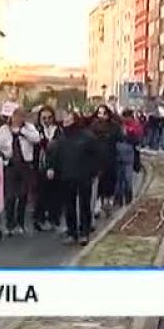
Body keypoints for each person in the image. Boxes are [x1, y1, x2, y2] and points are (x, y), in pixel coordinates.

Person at [46, 111, 99, 246]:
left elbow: (96, 156)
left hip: (84, 176)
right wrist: (51, 168)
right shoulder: (61, 138)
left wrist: (94, 172)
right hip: (66, 175)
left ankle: (84, 232)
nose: (66, 124)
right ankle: (72, 232)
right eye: (65, 121)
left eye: (69, 121)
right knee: (69, 206)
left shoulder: (87, 137)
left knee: (84, 205)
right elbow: (54, 154)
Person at [3, 108, 40, 234]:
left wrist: (22, 131)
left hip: (25, 165)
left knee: (23, 195)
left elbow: (36, 139)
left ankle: (20, 223)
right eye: (16, 117)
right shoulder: (5, 129)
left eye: (21, 117)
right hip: (10, 165)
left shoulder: (29, 128)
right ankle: (10, 224)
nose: (18, 119)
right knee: (10, 196)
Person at [33, 106, 63, 232]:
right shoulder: (37, 131)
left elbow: (60, 149)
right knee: (41, 194)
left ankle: (53, 218)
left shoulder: (59, 131)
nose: (46, 120)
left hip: (56, 166)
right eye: (44, 118)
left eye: (49, 118)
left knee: (55, 194)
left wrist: (54, 166)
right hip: (40, 166)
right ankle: (40, 219)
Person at [90, 105, 123, 217]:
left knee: (109, 181)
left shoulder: (114, 126)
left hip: (110, 158)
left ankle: (108, 202)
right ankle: (97, 206)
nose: (102, 116)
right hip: (97, 159)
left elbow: (120, 137)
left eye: (104, 113)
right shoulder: (93, 126)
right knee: (98, 183)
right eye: (99, 113)